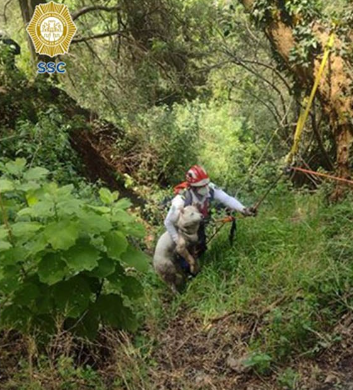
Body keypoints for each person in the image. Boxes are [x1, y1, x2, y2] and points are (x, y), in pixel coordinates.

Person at [164, 165, 256, 268]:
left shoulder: (210, 188)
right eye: (201, 186)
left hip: (198, 223)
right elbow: (168, 222)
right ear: (192, 186)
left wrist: (243, 209)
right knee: (184, 253)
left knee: (201, 245)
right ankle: (183, 270)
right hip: (183, 229)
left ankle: (197, 264)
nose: (205, 188)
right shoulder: (181, 199)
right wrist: (177, 240)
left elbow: (226, 199)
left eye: (206, 184)